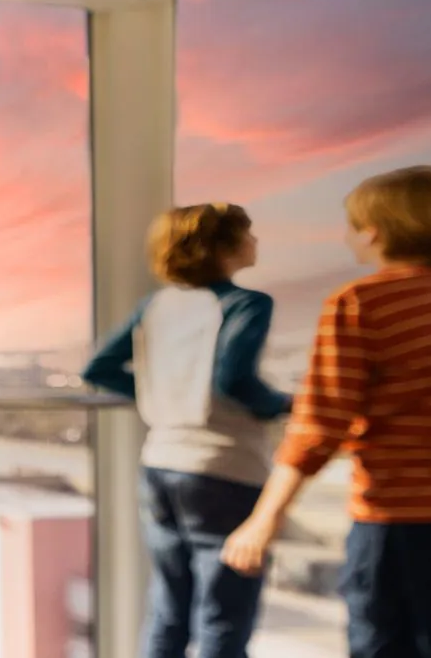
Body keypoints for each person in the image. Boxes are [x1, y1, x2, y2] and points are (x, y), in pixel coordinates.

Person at [220, 165, 431, 658]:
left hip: (410, 521)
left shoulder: (360, 303)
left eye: (351, 225)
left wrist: (263, 518)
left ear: (372, 233)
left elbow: (319, 424)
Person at [81, 202, 289, 658]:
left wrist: (161, 392)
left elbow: (98, 367)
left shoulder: (157, 306)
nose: (255, 241)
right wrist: (283, 405)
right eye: (247, 233)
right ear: (223, 247)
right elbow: (233, 378)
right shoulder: (246, 304)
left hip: (160, 467)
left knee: (169, 609)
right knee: (223, 617)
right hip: (224, 469)